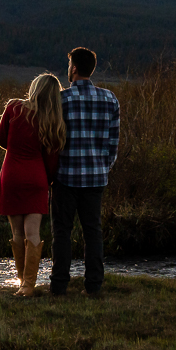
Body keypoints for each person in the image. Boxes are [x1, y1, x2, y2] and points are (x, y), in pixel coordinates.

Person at [51, 47, 119, 297]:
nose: (68, 70)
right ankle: (94, 286)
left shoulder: (61, 99)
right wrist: (102, 168)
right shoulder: (110, 99)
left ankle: (59, 286)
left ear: (74, 68)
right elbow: (113, 144)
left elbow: (52, 141)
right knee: (93, 232)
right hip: (95, 178)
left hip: (65, 178)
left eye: (69, 65)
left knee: (61, 232)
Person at [0, 73, 66, 297]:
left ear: (34, 88)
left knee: (17, 233)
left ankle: (21, 285)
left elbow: (1, 140)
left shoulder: (14, 108)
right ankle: (28, 286)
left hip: (12, 175)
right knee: (33, 233)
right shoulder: (52, 120)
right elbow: (52, 158)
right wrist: (48, 180)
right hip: (37, 178)